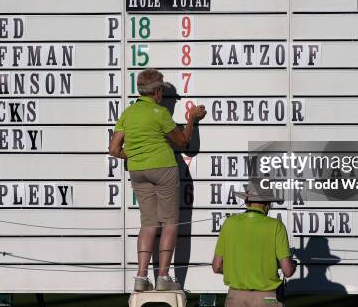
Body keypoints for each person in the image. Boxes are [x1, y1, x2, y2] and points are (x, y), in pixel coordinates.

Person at [109, 68, 206, 292]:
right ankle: (163, 276)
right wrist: (192, 119)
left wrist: (134, 155)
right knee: (169, 222)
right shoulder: (159, 112)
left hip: (137, 170)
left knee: (148, 224)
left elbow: (114, 149)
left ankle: (141, 277)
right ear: (157, 92)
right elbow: (183, 142)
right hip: (163, 167)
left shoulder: (128, 113)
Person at [212, 185, 295, 306]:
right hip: (267, 298)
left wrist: (239, 271)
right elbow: (287, 271)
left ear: (246, 201)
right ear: (268, 203)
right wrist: (293, 265)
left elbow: (217, 266)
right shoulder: (277, 226)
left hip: (235, 297)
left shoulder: (229, 223)